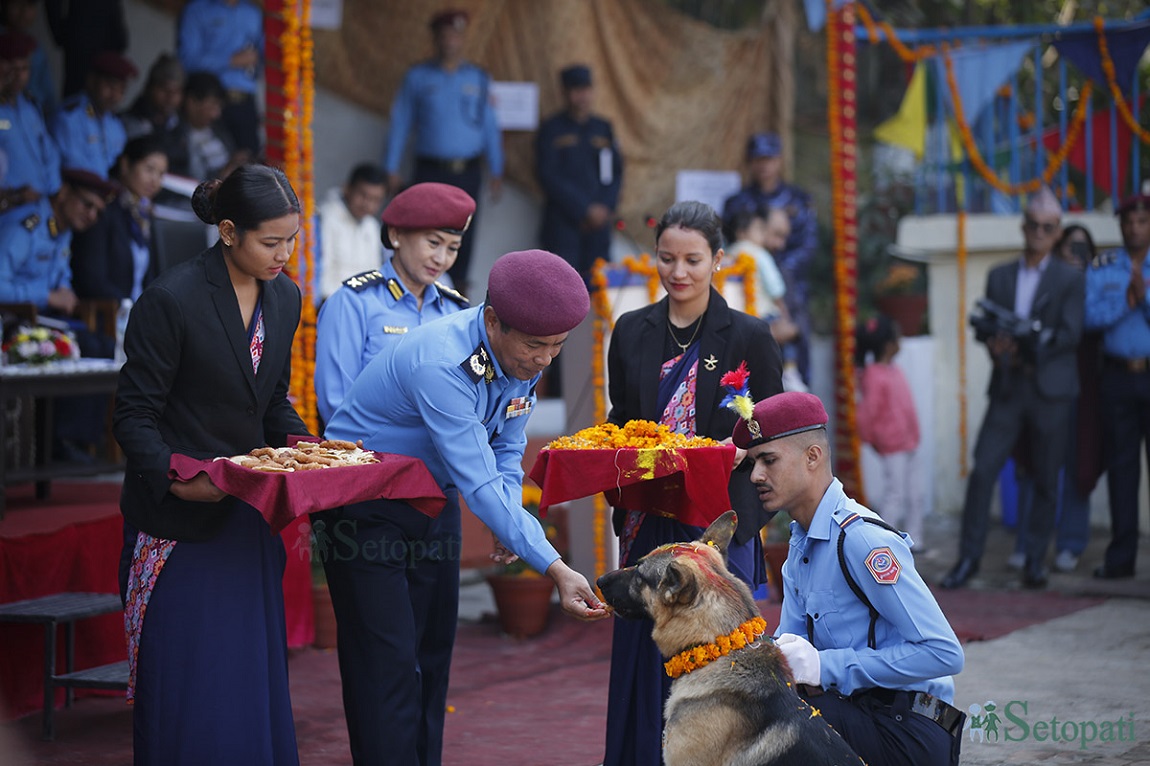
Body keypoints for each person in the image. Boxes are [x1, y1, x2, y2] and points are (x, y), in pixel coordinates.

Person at [319, 249, 606, 766]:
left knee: (431, 656)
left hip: (432, 496)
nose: (545, 360)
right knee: (386, 663)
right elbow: (478, 477)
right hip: (363, 504)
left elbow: (507, 449)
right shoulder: (442, 363)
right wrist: (553, 564)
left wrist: (511, 520)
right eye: (537, 346)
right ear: (493, 321)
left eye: (558, 347)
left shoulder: (522, 352)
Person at [113, 164, 307, 764]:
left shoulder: (286, 296)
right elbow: (132, 417)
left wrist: (306, 449)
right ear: (227, 232)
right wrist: (181, 476)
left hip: (246, 517)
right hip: (179, 524)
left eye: (292, 239)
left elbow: (271, 400)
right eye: (270, 242)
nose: (284, 254)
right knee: (188, 688)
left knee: (246, 681)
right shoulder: (171, 300)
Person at [602, 200, 783, 766]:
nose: (678, 273)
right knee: (641, 661)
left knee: (717, 670)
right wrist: (611, 451)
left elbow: (770, 429)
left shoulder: (749, 336)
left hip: (717, 529)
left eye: (693, 260)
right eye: (666, 259)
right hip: (649, 521)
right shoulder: (632, 330)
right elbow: (620, 416)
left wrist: (736, 457)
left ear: (719, 260)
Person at [735, 391, 965, 766]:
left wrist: (828, 667)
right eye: (754, 464)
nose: (757, 475)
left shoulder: (860, 540)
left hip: (908, 728)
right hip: (857, 713)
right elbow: (793, 651)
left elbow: (944, 653)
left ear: (813, 457)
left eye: (768, 460)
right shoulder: (800, 544)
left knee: (777, 728)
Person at [941, 188, 1084, 590]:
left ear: (1057, 233)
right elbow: (987, 328)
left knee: (1044, 476)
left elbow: (1071, 335)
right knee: (984, 469)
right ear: (1023, 227)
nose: (1039, 232)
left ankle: (1035, 563)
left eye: (1048, 227)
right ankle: (968, 559)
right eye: (1034, 225)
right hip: (1008, 385)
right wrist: (998, 344)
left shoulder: (1070, 278)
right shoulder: (1001, 274)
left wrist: (1033, 341)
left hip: (1050, 390)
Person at [314, 181, 473, 424]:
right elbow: (337, 407)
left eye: (453, 248)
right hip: (375, 456)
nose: (441, 259)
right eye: (433, 243)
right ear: (395, 235)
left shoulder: (455, 311)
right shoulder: (353, 303)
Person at [383, 9, 502, 293]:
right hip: (430, 169)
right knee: (426, 231)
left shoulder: (478, 78)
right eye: (445, 35)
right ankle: (418, 289)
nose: (451, 41)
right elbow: (400, 123)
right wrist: (390, 167)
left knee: (464, 234)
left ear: (463, 40)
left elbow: (489, 126)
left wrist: (497, 168)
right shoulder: (418, 76)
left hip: (468, 171)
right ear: (435, 39)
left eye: (456, 35)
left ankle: (455, 293)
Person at [1009, 224, 1102, 574]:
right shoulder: (1043, 285)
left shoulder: (1096, 286)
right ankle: (1027, 545)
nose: (1075, 256)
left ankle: (1071, 544)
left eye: (1083, 250)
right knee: (1036, 465)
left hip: (1084, 389)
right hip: (1042, 387)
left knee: (1080, 463)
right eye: (1069, 249)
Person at [1085, 193, 1150, 579]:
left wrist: (1144, 301)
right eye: (1128, 222)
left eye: (1142, 221)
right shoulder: (1103, 266)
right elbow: (1090, 317)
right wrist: (1125, 302)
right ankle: (1120, 560)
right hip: (1117, 377)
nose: (1134, 228)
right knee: (1122, 470)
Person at [722, 132, 818, 386]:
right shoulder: (737, 203)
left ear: (779, 160)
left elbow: (808, 243)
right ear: (750, 162)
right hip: (749, 289)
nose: (763, 165)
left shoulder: (798, 200)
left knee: (796, 347)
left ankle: (800, 400)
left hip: (791, 287)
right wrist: (758, 267)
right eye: (757, 159)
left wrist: (778, 269)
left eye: (769, 158)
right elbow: (729, 242)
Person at [536, 64, 623, 275]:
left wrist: (604, 208)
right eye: (576, 90)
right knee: (562, 286)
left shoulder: (603, 128)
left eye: (586, 89)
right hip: (563, 225)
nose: (581, 96)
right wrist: (584, 210)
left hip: (599, 226)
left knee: (600, 286)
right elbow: (548, 175)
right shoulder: (551, 129)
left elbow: (616, 172)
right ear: (565, 93)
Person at [71, 134, 168, 302]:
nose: (155, 181)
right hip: (108, 317)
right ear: (125, 165)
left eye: (160, 174)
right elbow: (91, 279)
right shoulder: (103, 211)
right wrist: (126, 309)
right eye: (149, 169)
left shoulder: (143, 216)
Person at [855, 314, 924, 547]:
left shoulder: (893, 370)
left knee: (915, 494)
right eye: (897, 338)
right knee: (895, 494)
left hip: (908, 441)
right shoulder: (874, 375)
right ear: (888, 345)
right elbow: (868, 412)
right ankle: (881, 542)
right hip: (892, 444)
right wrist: (872, 438)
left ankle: (916, 540)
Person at [177, 0, 263, 156]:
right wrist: (231, 60)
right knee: (207, 163)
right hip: (207, 100)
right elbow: (187, 60)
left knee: (250, 165)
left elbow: (262, 58)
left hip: (244, 101)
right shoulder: (197, 10)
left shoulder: (253, 13)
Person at [0, 31, 61, 214]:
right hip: (10, 206)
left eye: (24, 69)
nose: (19, 76)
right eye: (13, 69)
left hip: (41, 204)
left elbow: (48, 151)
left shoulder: (31, 106)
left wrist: (54, 190)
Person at [52, 50, 136, 178]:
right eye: (110, 86)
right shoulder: (70, 117)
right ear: (91, 80)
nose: (115, 96)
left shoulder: (114, 124)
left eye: (121, 90)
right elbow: (73, 170)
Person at [314, 162, 387, 302]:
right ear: (347, 188)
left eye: (376, 200)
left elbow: (375, 272)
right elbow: (322, 273)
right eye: (363, 195)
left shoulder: (371, 225)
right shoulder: (326, 216)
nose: (368, 204)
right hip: (330, 301)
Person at [169, 71, 245, 182]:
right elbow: (193, 181)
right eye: (213, 105)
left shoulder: (219, 130)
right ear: (192, 102)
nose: (217, 114)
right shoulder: (176, 137)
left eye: (219, 106)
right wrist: (223, 174)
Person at [44, 0, 127, 98]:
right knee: (78, 99)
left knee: (97, 101)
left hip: (98, 47)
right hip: (81, 47)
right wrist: (62, 35)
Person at [120, 53, 185, 158]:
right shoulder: (130, 120)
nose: (170, 97)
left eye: (176, 92)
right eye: (164, 89)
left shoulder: (179, 123)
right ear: (149, 88)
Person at [0, 0, 57, 119]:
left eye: (30, 5)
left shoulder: (36, 49)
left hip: (30, 119)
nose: (24, 12)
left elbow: (48, 99)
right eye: (17, 4)